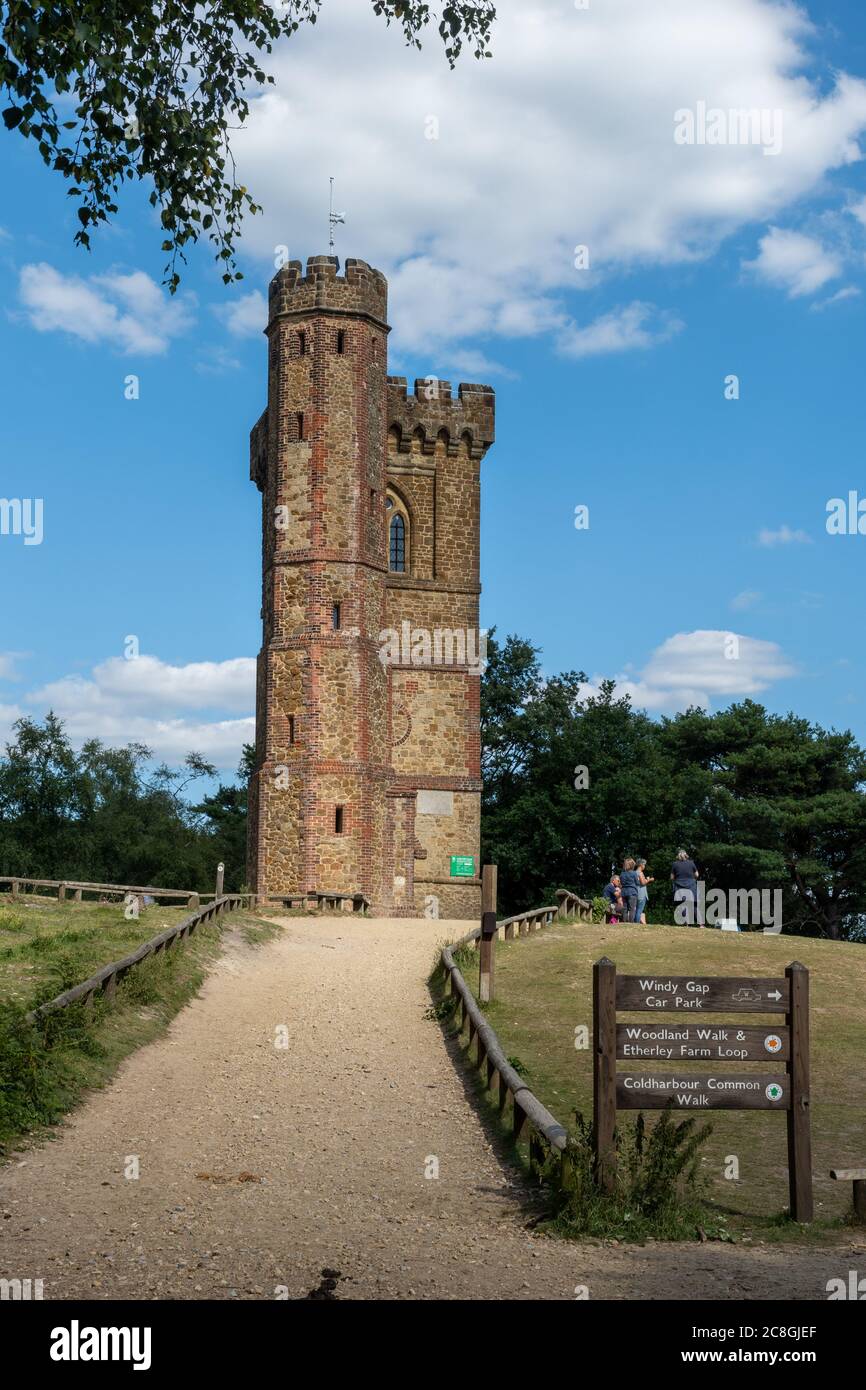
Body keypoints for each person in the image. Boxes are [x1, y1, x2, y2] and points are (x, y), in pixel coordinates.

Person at [671, 849, 703, 926]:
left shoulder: (675, 864)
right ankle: (701, 925)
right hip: (691, 886)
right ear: (686, 855)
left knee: (683, 905)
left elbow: (672, 877)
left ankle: (687, 924)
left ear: (678, 855)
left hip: (679, 887)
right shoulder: (691, 863)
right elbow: (697, 875)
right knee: (694, 905)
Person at [619, 858, 641, 923]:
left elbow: (621, 883)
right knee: (632, 909)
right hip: (632, 892)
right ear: (632, 865)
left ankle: (624, 921)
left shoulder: (622, 874)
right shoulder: (634, 873)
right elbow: (637, 883)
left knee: (625, 908)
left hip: (624, 892)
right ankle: (631, 922)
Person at [636, 858, 654, 925]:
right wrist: (649, 879)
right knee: (639, 911)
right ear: (641, 865)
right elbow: (643, 883)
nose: (644, 866)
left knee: (637, 910)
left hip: (637, 893)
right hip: (642, 894)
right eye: (644, 865)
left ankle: (636, 923)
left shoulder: (635, 873)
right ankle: (636, 924)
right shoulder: (640, 873)